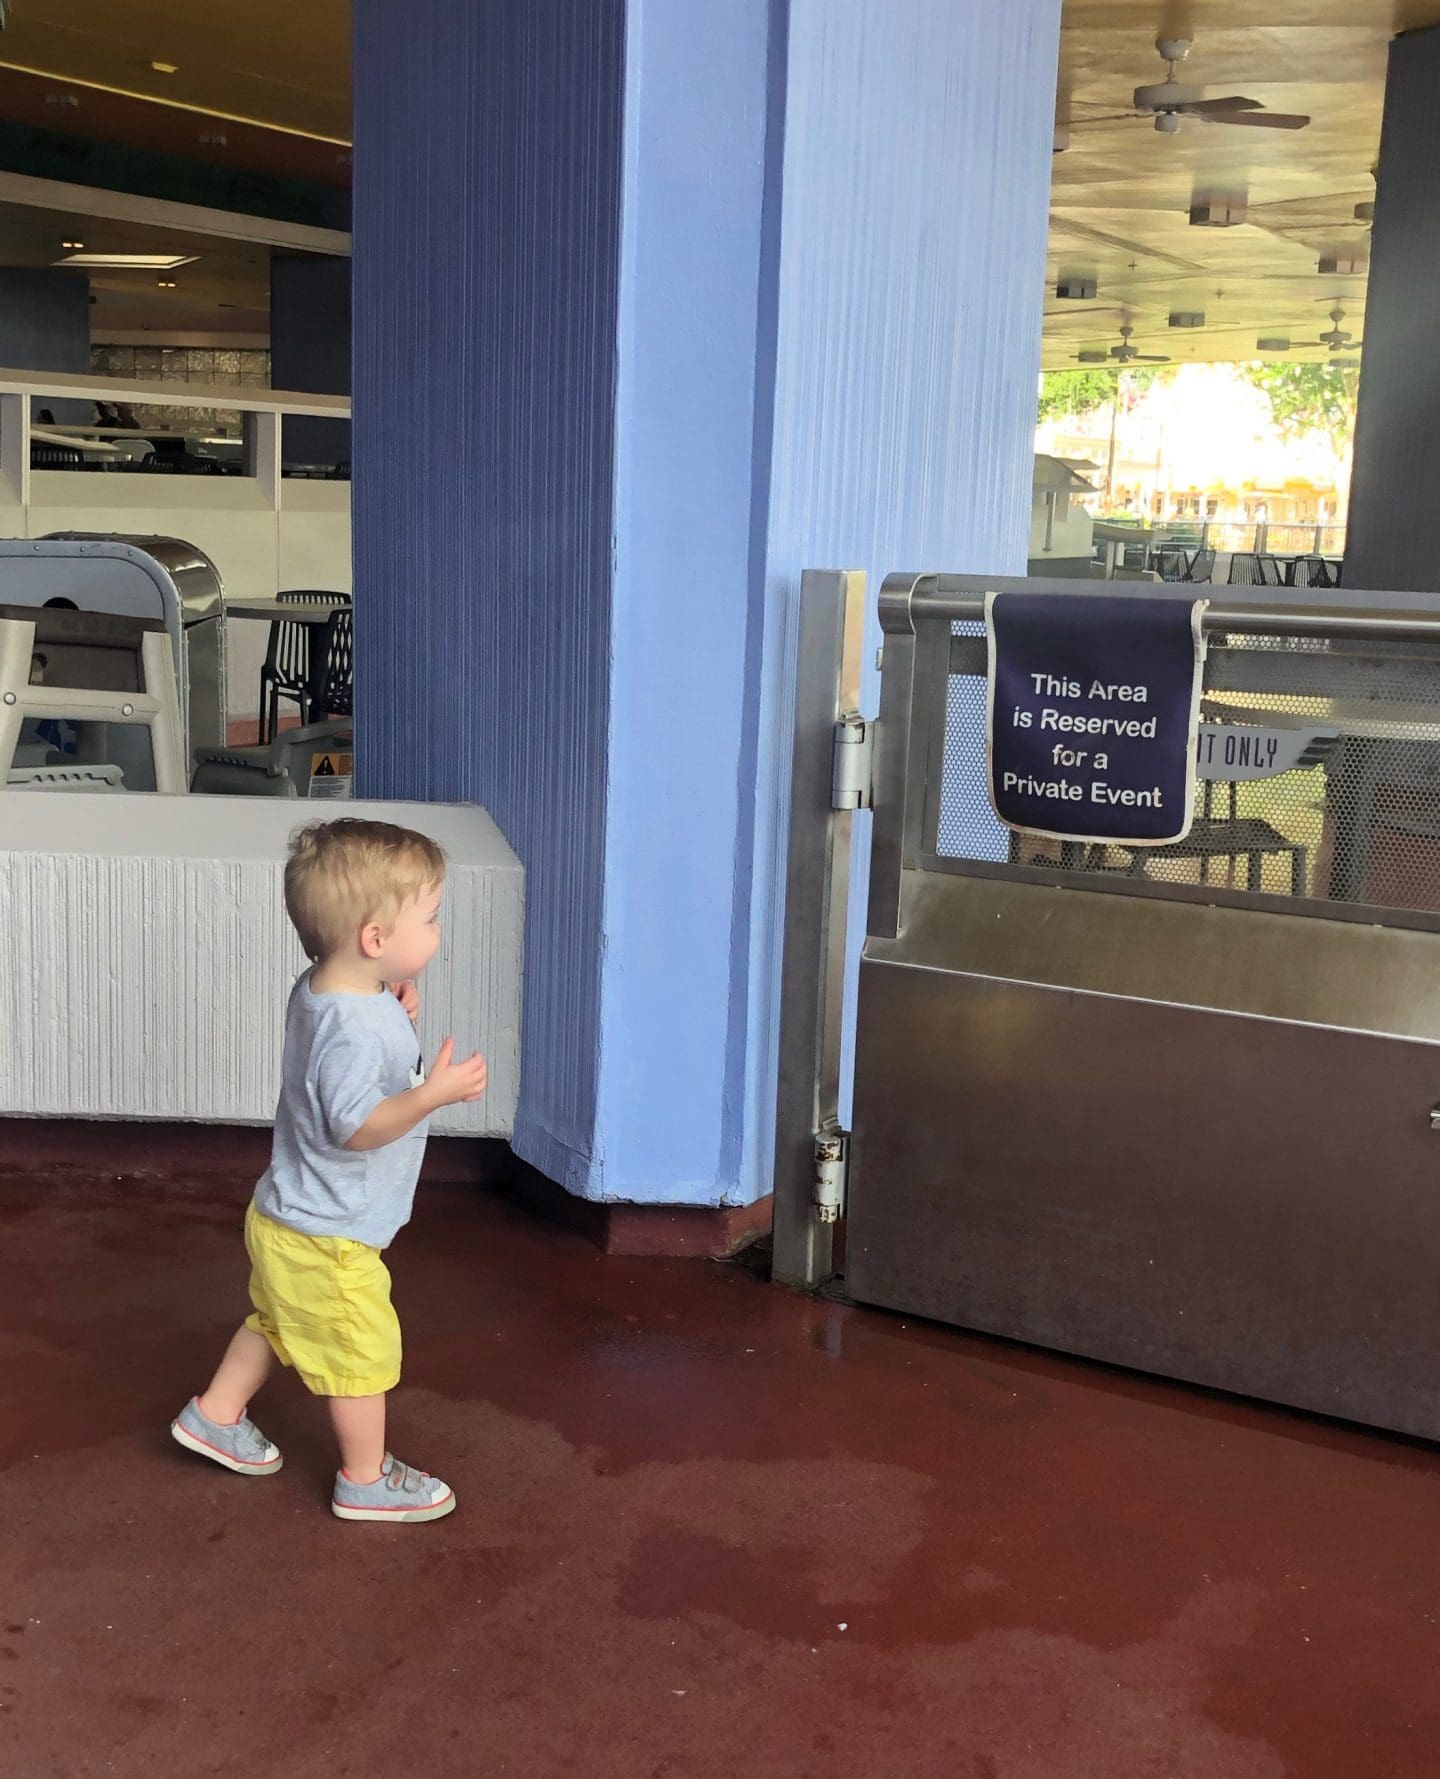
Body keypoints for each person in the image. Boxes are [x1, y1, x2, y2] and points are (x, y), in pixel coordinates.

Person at [171, 818, 488, 1522]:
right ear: (375, 939)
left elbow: (349, 1032)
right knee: (360, 1354)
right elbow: (355, 1126)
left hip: (286, 1216)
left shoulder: (328, 988)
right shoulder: (352, 1027)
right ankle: (365, 1478)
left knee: (278, 1322)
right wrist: (430, 1094)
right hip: (330, 1237)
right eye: (430, 918)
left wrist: (391, 997)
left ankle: (215, 1414)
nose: (438, 931)